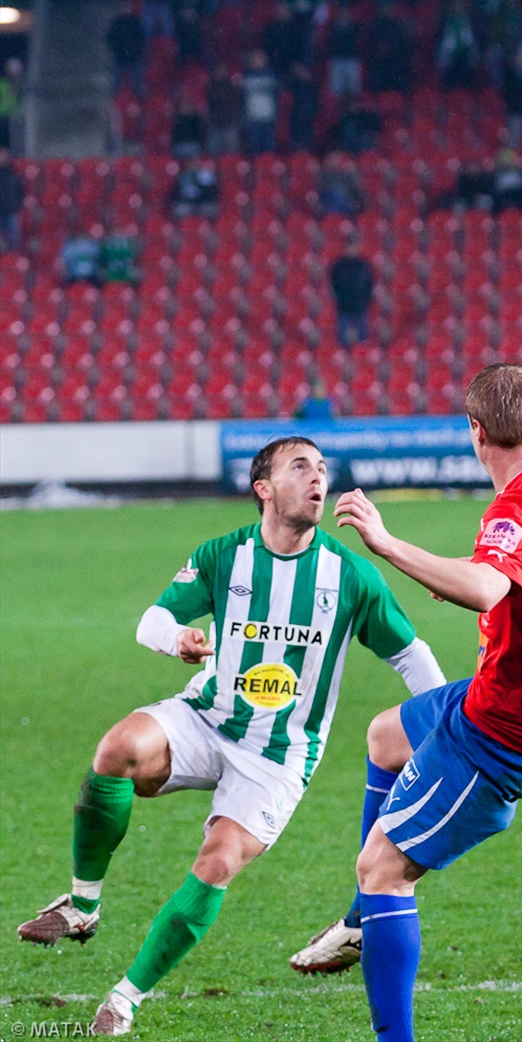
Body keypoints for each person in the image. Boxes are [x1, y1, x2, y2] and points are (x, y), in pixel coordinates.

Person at [17, 436, 445, 1038]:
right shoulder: (225, 555)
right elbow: (154, 620)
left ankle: (125, 997)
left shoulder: (349, 575)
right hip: (206, 717)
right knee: (116, 749)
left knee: (215, 863)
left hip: (277, 757)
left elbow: (412, 656)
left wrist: (446, 724)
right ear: (263, 488)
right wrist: (179, 641)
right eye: (301, 467)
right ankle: (82, 906)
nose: (318, 478)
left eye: (323, 469)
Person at [289, 364, 522, 1042]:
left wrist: (386, 543)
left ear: (476, 431)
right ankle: (357, 925)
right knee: (385, 735)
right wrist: (478, 583)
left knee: (382, 868)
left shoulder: (519, 506)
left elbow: (490, 587)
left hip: (513, 727)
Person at [329, 237, 374, 346]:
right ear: (345, 248)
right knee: (342, 341)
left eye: (355, 247)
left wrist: (365, 301)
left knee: (363, 342)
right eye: (350, 247)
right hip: (343, 308)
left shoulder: (364, 266)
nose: (353, 250)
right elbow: (333, 285)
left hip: (360, 308)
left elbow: (369, 285)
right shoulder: (338, 266)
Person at [0, 147, 24, 252]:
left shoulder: (14, 176)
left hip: (11, 211)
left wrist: (16, 206)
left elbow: (20, 193)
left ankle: (13, 260)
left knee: (14, 239)